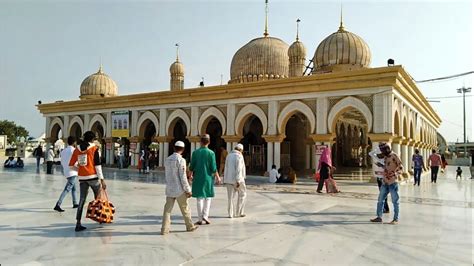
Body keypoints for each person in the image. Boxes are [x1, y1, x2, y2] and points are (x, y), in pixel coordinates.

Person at [69, 131, 107, 232]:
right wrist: (102, 180)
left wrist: (80, 170)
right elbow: (97, 166)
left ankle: (78, 223)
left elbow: (71, 164)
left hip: (82, 178)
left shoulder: (77, 149)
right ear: (92, 139)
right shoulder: (94, 149)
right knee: (98, 198)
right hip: (93, 177)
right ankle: (100, 218)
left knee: (81, 200)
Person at [161, 141, 198, 235]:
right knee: (185, 208)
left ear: (174, 148)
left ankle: (164, 229)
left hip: (169, 189)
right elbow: (183, 177)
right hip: (179, 189)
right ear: (183, 150)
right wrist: (188, 190)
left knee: (167, 210)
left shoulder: (168, 159)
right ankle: (190, 226)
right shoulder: (181, 160)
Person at [189, 134, 221, 225]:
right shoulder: (211, 153)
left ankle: (200, 218)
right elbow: (213, 167)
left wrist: (190, 175)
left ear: (200, 142)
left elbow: (192, 166)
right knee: (208, 197)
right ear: (209, 142)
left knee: (199, 198)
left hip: (198, 177)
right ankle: (205, 216)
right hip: (208, 178)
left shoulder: (195, 153)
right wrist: (218, 177)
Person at [371, 143, 403, 225]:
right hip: (385, 182)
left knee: (395, 201)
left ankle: (395, 219)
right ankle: (379, 217)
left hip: (393, 182)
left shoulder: (394, 156)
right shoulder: (385, 157)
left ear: (387, 149)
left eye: (382, 150)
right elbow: (387, 167)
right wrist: (381, 165)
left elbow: (401, 167)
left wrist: (396, 174)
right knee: (380, 200)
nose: (382, 152)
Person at [54, 136, 79, 212]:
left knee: (73, 188)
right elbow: (76, 161)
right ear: (74, 142)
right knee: (67, 189)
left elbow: (62, 162)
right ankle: (58, 204)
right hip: (73, 171)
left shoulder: (63, 151)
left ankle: (75, 203)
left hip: (66, 171)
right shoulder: (74, 150)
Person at [223, 143, 247, 218]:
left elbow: (226, 167)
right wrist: (238, 180)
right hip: (238, 180)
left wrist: (225, 179)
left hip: (228, 179)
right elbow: (239, 169)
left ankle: (230, 214)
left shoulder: (228, 156)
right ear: (240, 150)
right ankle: (239, 212)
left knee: (230, 198)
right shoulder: (239, 156)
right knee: (242, 194)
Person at [369, 146, 389, 213]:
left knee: (383, 193)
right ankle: (385, 207)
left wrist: (382, 165)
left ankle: (385, 208)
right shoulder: (378, 159)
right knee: (382, 193)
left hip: (384, 178)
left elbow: (387, 167)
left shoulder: (386, 159)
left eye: (381, 153)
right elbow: (371, 153)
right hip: (379, 178)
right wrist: (377, 149)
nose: (379, 155)